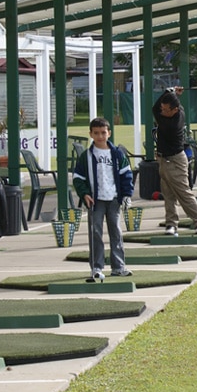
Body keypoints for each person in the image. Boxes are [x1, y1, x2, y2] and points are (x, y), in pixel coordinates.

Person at [73, 117, 134, 277]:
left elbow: (126, 174)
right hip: (95, 200)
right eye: (96, 133)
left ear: (109, 133)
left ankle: (119, 267)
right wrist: (84, 193)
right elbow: (78, 178)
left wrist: (127, 194)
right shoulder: (86, 156)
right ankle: (97, 268)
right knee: (96, 233)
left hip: (114, 199)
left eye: (103, 132)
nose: (100, 136)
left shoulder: (117, 154)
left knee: (116, 232)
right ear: (91, 134)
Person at [152, 87, 197, 235]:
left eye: (165, 109)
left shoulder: (171, 124)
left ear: (174, 110)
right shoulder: (179, 110)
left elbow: (155, 110)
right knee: (167, 193)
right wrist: (169, 93)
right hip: (164, 159)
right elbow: (157, 107)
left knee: (182, 192)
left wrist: (169, 93)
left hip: (175, 160)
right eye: (162, 109)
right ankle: (171, 224)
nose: (162, 111)